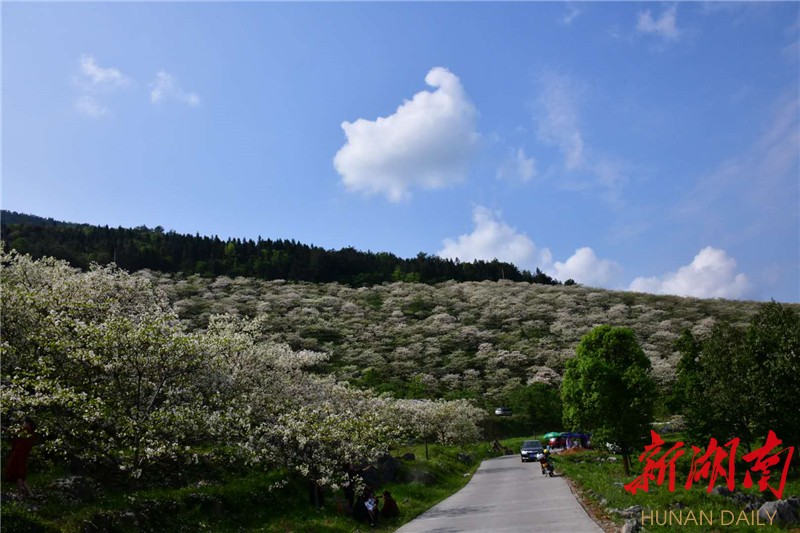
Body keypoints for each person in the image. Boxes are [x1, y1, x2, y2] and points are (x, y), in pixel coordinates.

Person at [3, 418, 36, 499]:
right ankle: (30, 493)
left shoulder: (25, 431)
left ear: (28, 424)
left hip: (18, 455)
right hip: (23, 455)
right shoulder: (31, 433)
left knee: (18, 475)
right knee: (21, 475)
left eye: (24, 422)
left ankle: (19, 495)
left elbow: (11, 431)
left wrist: (2, 427)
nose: (23, 424)